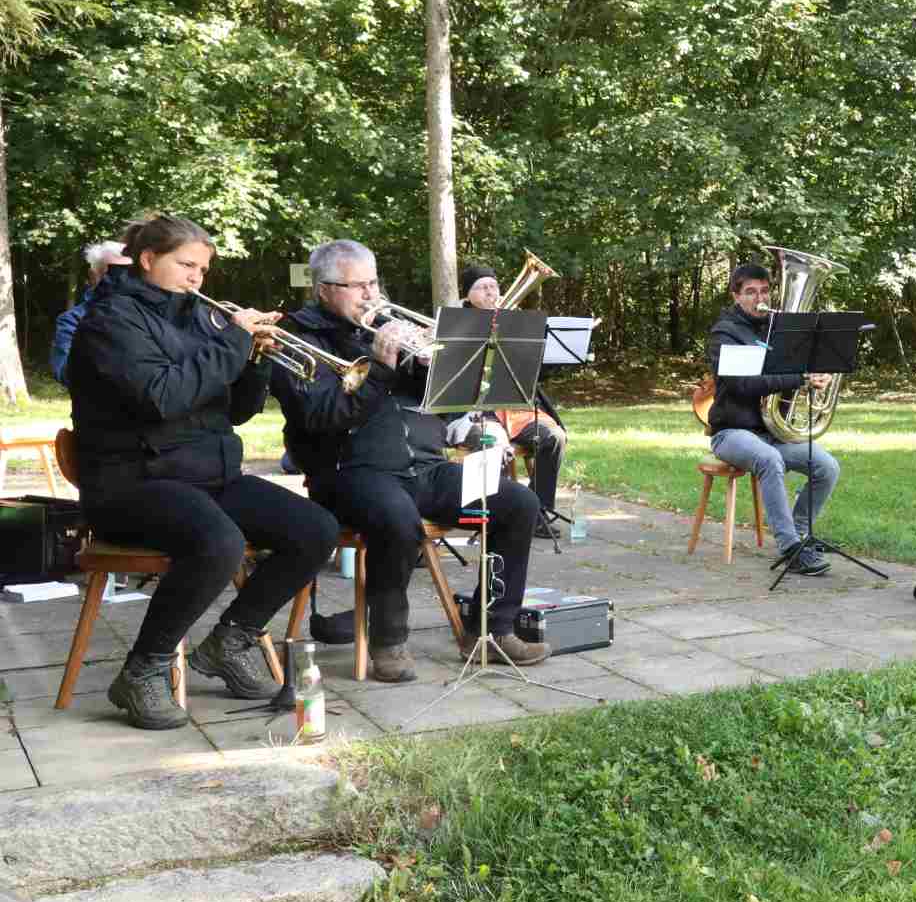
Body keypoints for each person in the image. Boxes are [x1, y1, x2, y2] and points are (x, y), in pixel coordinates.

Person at [65, 214, 340, 729]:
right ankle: (142, 671)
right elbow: (163, 397)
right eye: (186, 264)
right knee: (219, 542)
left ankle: (229, 642)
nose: (196, 277)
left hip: (206, 475)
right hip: (131, 482)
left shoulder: (200, 318)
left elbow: (236, 412)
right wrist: (233, 342)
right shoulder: (109, 322)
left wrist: (255, 359)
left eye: (203, 269)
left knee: (316, 529)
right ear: (148, 259)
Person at [271, 239, 549, 681]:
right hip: (349, 473)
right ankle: (388, 641)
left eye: (373, 282)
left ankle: (492, 630)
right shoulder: (298, 337)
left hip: (425, 467)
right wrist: (380, 367)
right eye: (357, 285)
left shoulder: (386, 325)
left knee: (518, 503)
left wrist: (434, 362)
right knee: (397, 519)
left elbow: (447, 405)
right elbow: (321, 416)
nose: (370, 294)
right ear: (324, 289)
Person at [703, 262, 839, 575]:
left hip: (770, 433)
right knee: (769, 460)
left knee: (826, 466)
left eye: (764, 291)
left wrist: (815, 374)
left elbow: (792, 375)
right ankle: (790, 548)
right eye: (751, 292)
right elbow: (743, 384)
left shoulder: (779, 330)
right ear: (736, 296)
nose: (759, 298)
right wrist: (799, 379)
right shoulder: (724, 333)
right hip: (731, 432)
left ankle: (801, 533)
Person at [448, 262, 568, 532]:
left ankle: (537, 513)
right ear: (468, 294)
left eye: (494, 286)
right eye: (482, 287)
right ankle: (489, 519)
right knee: (493, 444)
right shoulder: (455, 322)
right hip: (475, 411)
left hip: (514, 407)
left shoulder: (513, 321)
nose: (490, 292)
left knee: (554, 437)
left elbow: (535, 372)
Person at [50, 236, 132, 386]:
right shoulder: (72, 320)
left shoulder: (150, 313)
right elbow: (63, 372)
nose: (122, 281)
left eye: (129, 274)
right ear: (93, 276)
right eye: (114, 274)